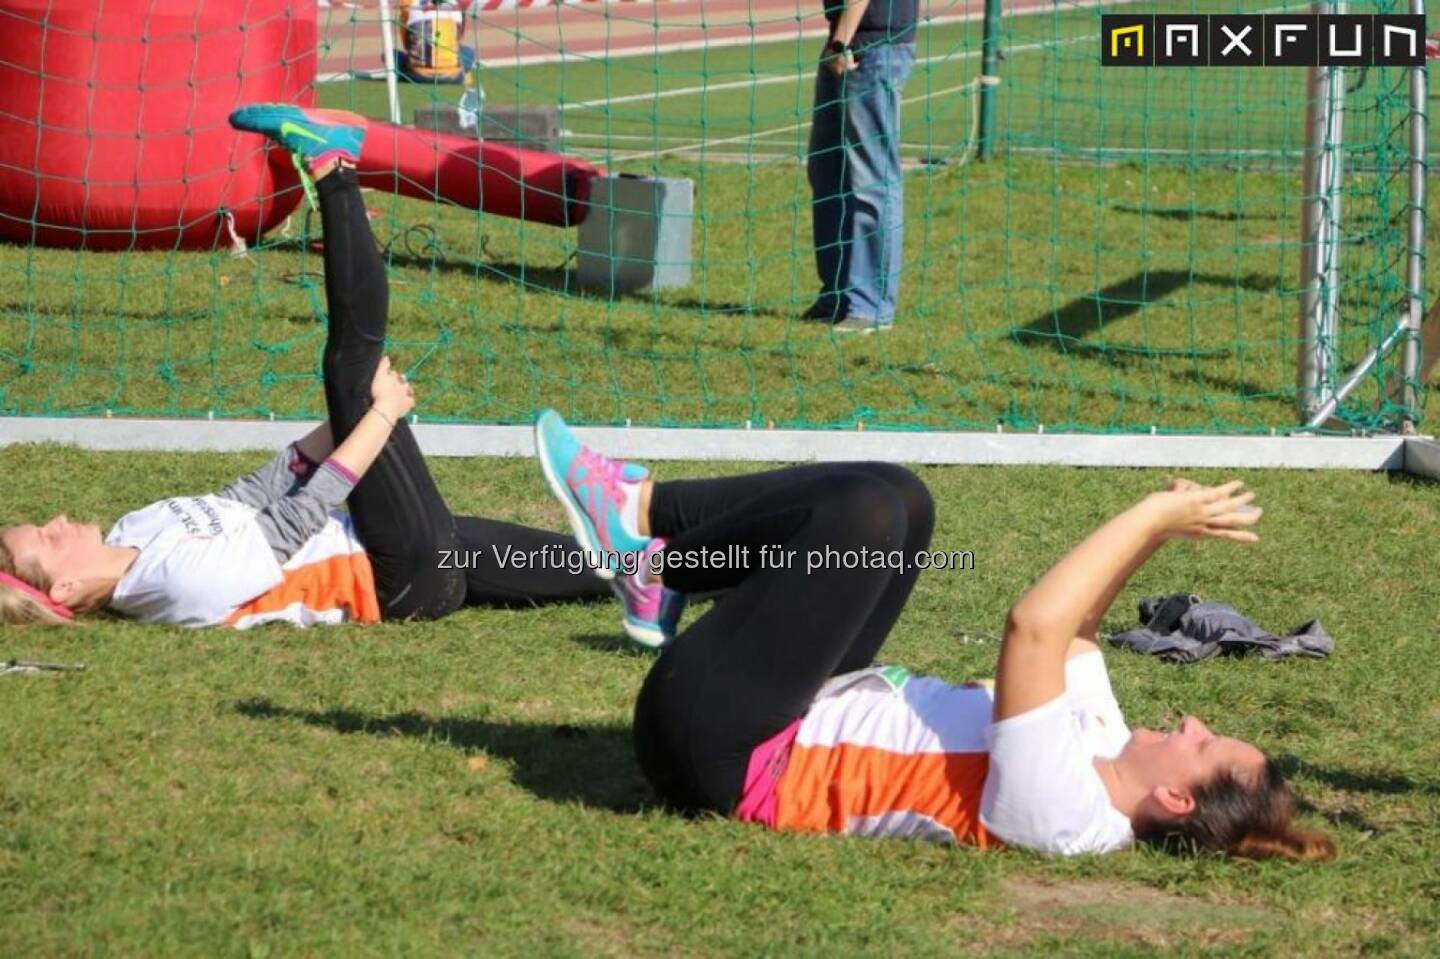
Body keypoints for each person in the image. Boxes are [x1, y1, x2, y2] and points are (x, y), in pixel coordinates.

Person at [533, 410, 1335, 859]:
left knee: (866, 516)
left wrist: (1152, 514)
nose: (1195, 722)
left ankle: (652, 557)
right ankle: (649, 534)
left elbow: (1033, 628)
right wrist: (1154, 535)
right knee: (903, 501)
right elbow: (1079, 632)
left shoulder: (1069, 814)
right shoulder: (1107, 740)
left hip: (722, 749)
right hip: (788, 702)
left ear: (1175, 796)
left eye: (1204, 742)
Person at [0, 106, 666, 642]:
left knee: (608, 561)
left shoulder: (134, 529)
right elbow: (296, 519)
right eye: (48, 537)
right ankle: (332, 167)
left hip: (405, 544)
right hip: (396, 576)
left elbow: (252, 491)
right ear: (61, 589)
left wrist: (342, 423)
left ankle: (733, 565)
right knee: (350, 366)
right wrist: (375, 413)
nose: (57, 518)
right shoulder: (170, 588)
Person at [804, 0, 918, 334]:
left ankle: (870, 306)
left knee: (872, 180)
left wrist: (841, 40)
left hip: (869, 46)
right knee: (828, 172)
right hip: (847, 41)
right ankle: (838, 297)